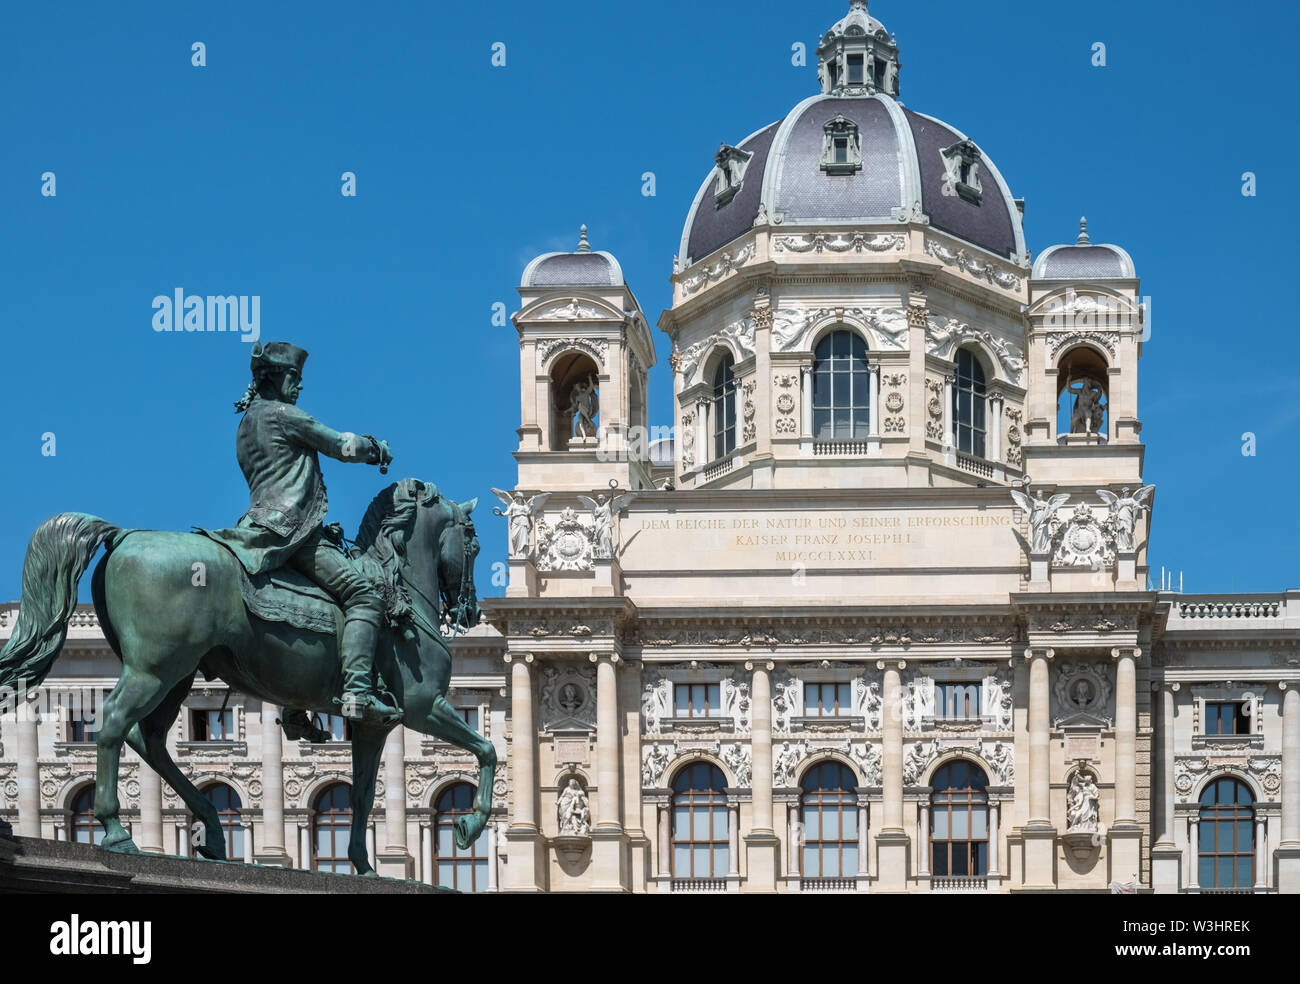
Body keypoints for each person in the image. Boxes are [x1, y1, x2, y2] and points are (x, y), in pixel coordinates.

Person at [209, 342, 400, 732]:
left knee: (309, 608)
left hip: (256, 527)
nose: (299, 387)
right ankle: (358, 692)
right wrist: (375, 448)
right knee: (363, 594)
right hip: (292, 531)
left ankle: (297, 708)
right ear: (275, 378)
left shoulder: (245, 424)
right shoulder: (282, 415)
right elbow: (340, 445)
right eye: (294, 379)